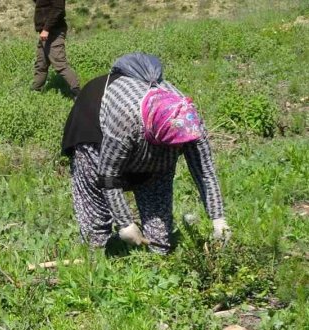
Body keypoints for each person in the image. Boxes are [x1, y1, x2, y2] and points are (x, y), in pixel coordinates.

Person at [61, 53, 230, 254]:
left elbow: (205, 172)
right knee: (96, 224)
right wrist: (125, 224)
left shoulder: (189, 121)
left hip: (150, 153)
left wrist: (218, 218)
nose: (175, 151)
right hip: (94, 132)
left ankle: (157, 263)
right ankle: (94, 260)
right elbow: (107, 175)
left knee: (160, 239)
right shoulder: (125, 121)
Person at [32, 0, 79, 96]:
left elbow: (58, 8)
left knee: (60, 64)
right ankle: (35, 92)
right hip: (45, 32)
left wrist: (46, 29)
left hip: (53, 31)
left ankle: (78, 93)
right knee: (41, 64)